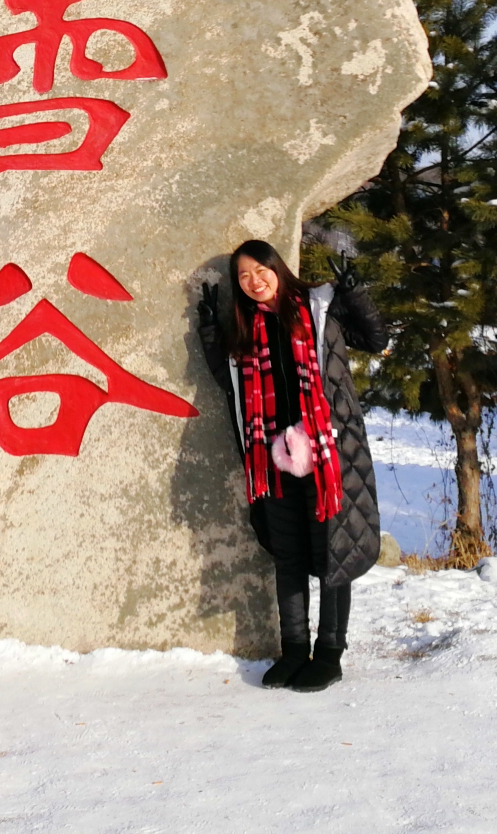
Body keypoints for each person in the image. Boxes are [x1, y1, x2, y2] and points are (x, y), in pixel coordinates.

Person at [201, 239, 388, 692]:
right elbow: (223, 376)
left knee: (333, 548)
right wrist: (209, 326)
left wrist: (354, 295)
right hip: (272, 454)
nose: (254, 281)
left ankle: (328, 652)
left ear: (277, 268)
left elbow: (375, 340)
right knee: (288, 553)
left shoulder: (319, 309)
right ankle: (293, 650)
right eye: (243, 276)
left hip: (329, 453)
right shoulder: (245, 329)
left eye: (259, 270)